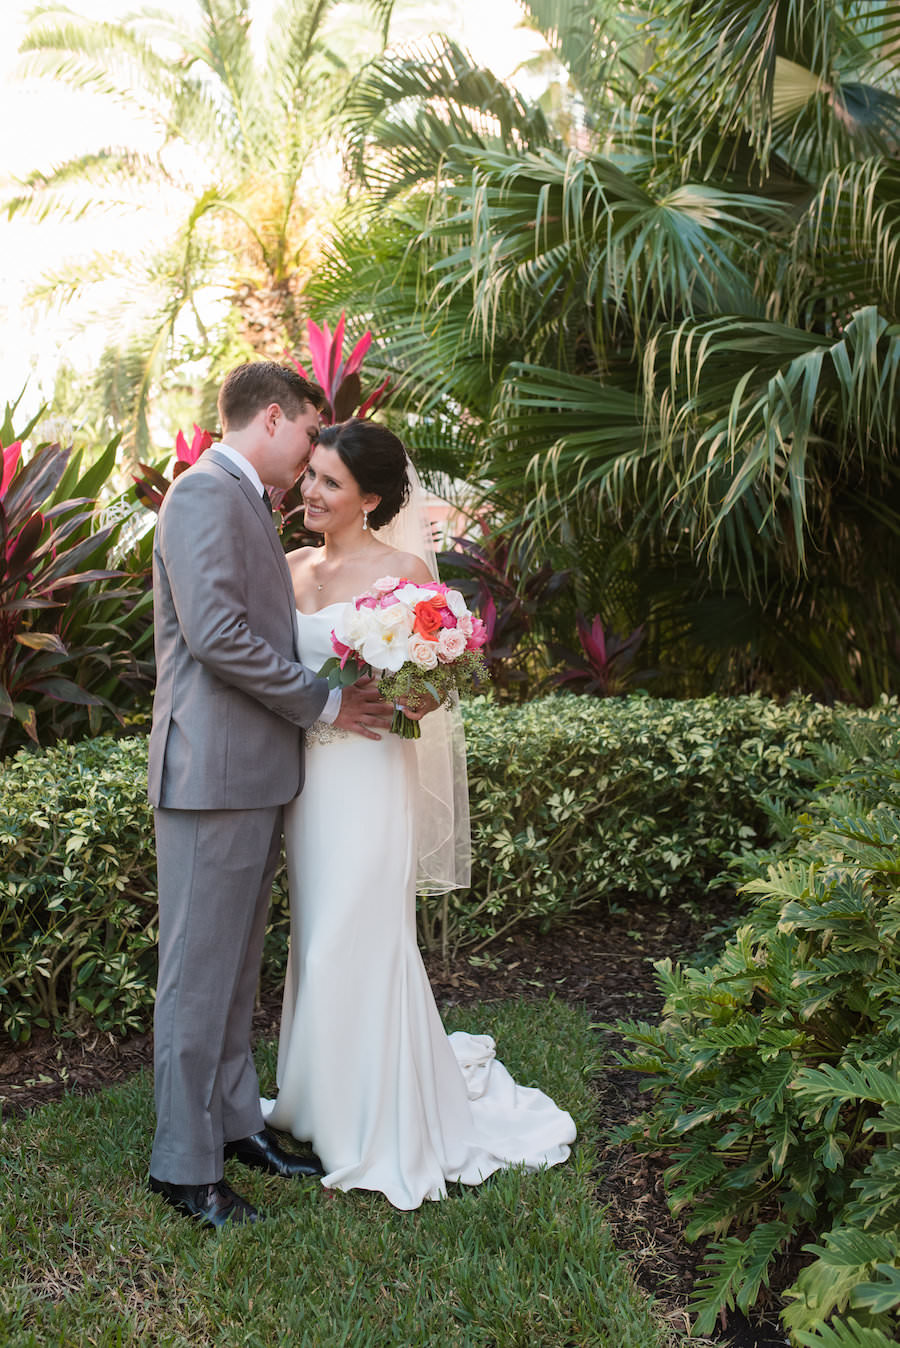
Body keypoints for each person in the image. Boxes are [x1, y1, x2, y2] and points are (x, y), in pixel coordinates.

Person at [262, 418, 576, 1209]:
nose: (313, 494)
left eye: (331, 484)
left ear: (370, 498)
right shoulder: (291, 568)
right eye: (311, 478)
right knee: (317, 929)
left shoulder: (404, 571)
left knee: (358, 931)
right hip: (310, 781)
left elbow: (437, 691)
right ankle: (315, 1097)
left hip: (371, 775)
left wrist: (396, 684)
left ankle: (375, 1117)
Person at [146, 363, 393, 1229]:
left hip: (249, 775)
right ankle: (183, 1166)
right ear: (278, 417)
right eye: (311, 432)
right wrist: (324, 700)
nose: (311, 453)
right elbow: (216, 634)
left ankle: (236, 1125)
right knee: (196, 976)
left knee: (234, 969)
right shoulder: (203, 495)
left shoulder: (243, 495)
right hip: (210, 775)